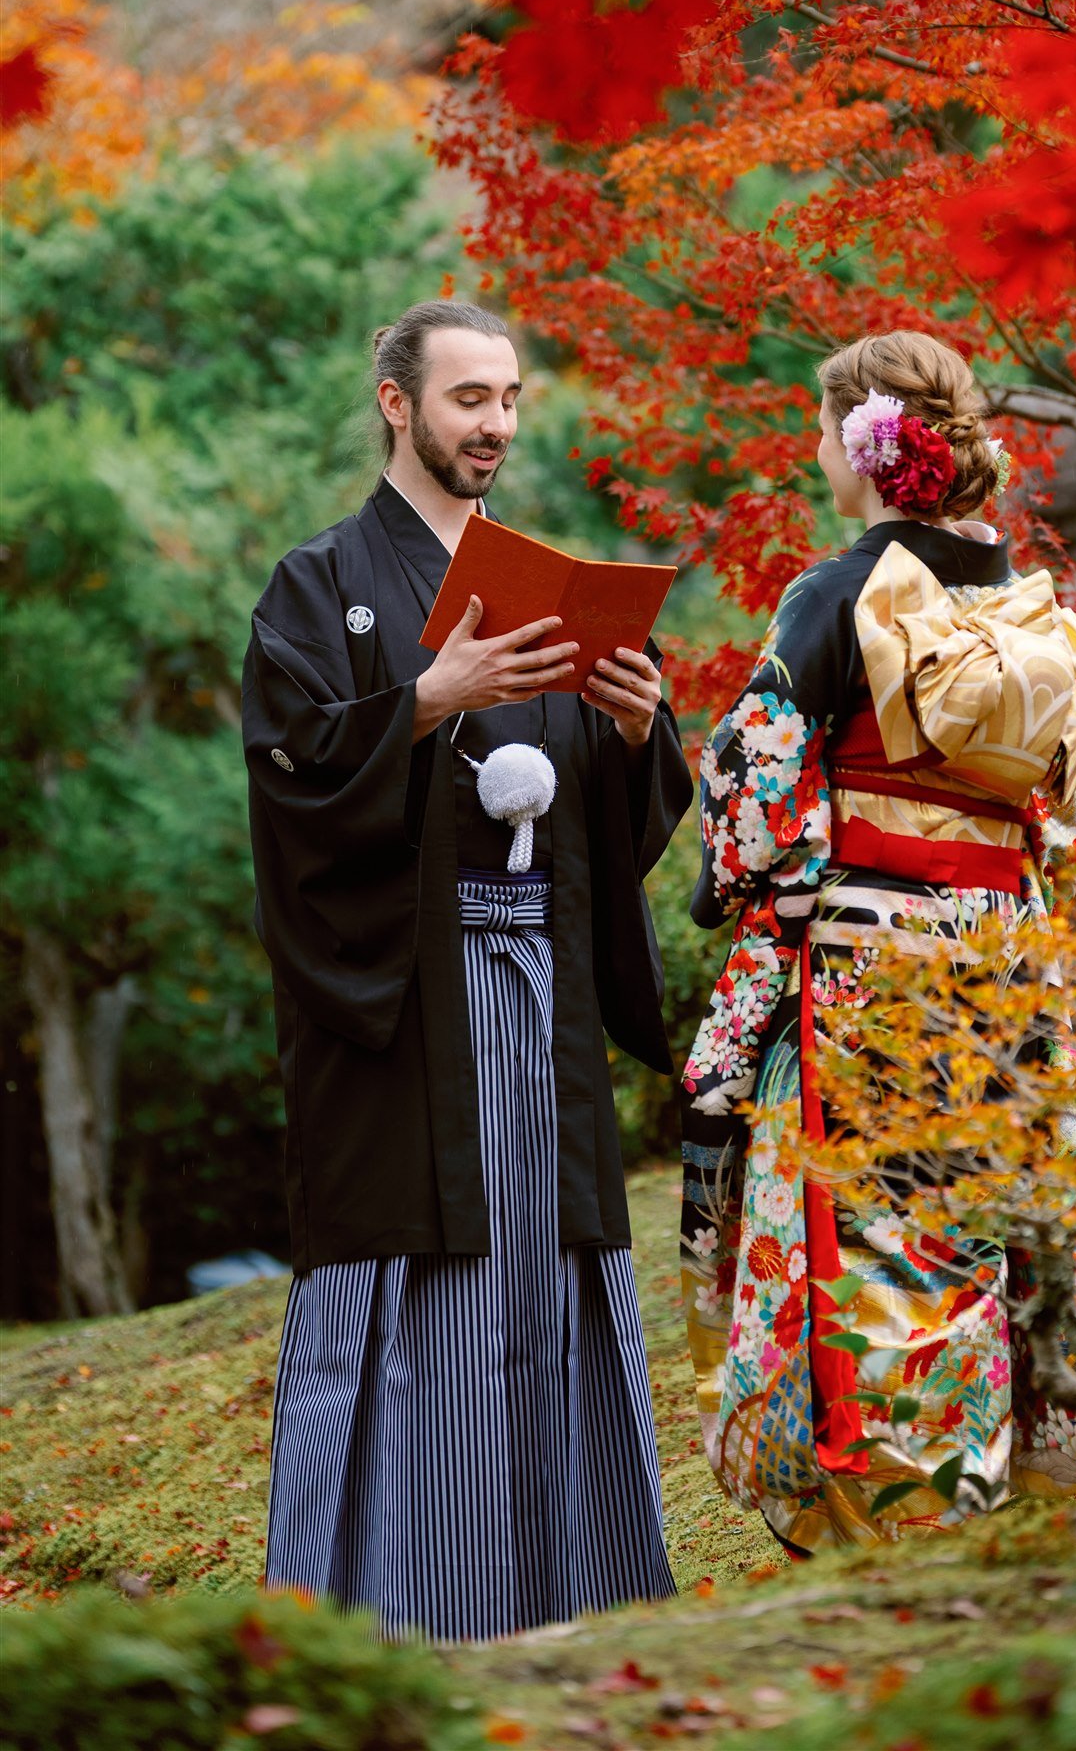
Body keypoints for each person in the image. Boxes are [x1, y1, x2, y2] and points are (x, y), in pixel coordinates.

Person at [243, 298, 692, 1641]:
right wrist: (427, 699)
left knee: (545, 1280)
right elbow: (288, 785)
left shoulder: (548, 585)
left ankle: (574, 1597)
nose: (493, 423)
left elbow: (615, 822)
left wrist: (630, 732)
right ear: (397, 402)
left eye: (507, 399)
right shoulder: (318, 586)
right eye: (466, 400)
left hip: (538, 991)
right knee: (412, 1293)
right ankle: (384, 1611)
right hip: (402, 1010)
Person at [680, 330, 1076, 1556]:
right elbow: (1054, 812)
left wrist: (774, 860)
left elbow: (759, 796)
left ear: (862, 450)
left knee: (876, 1230)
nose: (817, 455)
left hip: (869, 966)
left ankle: (896, 1508)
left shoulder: (841, 592)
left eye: (823, 434)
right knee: (989, 1211)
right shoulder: (1026, 601)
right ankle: (1008, 1478)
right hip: (1005, 957)